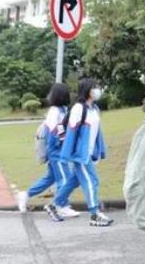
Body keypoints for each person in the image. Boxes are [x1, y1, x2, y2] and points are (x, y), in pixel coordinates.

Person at [44, 78, 113, 227]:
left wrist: (98, 151)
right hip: (79, 154)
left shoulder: (94, 109)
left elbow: (96, 132)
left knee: (73, 181)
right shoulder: (78, 108)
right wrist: (67, 151)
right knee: (92, 180)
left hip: (87, 152)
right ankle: (94, 214)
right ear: (87, 90)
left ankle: (54, 205)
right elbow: (68, 130)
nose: (98, 90)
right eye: (95, 87)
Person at [15, 83, 79, 218]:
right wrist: (65, 141)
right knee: (65, 178)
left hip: (58, 149)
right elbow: (56, 130)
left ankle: (25, 195)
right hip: (57, 150)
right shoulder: (55, 111)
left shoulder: (62, 109)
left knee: (50, 178)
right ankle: (61, 206)